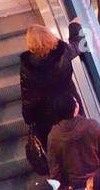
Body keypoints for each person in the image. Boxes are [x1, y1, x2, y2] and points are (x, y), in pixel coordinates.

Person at [19, 24, 79, 152]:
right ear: (48, 36)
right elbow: (79, 45)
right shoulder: (63, 52)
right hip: (68, 106)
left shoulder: (27, 66)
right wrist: (75, 25)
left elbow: (27, 94)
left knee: (56, 151)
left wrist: (28, 117)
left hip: (45, 117)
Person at [46, 101, 100, 190]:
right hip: (97, 180)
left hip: (75, 187)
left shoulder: (54, 136)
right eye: (76, 102)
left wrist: (62, 189)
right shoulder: (92, 125)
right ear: (75, 109)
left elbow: (54, 166)